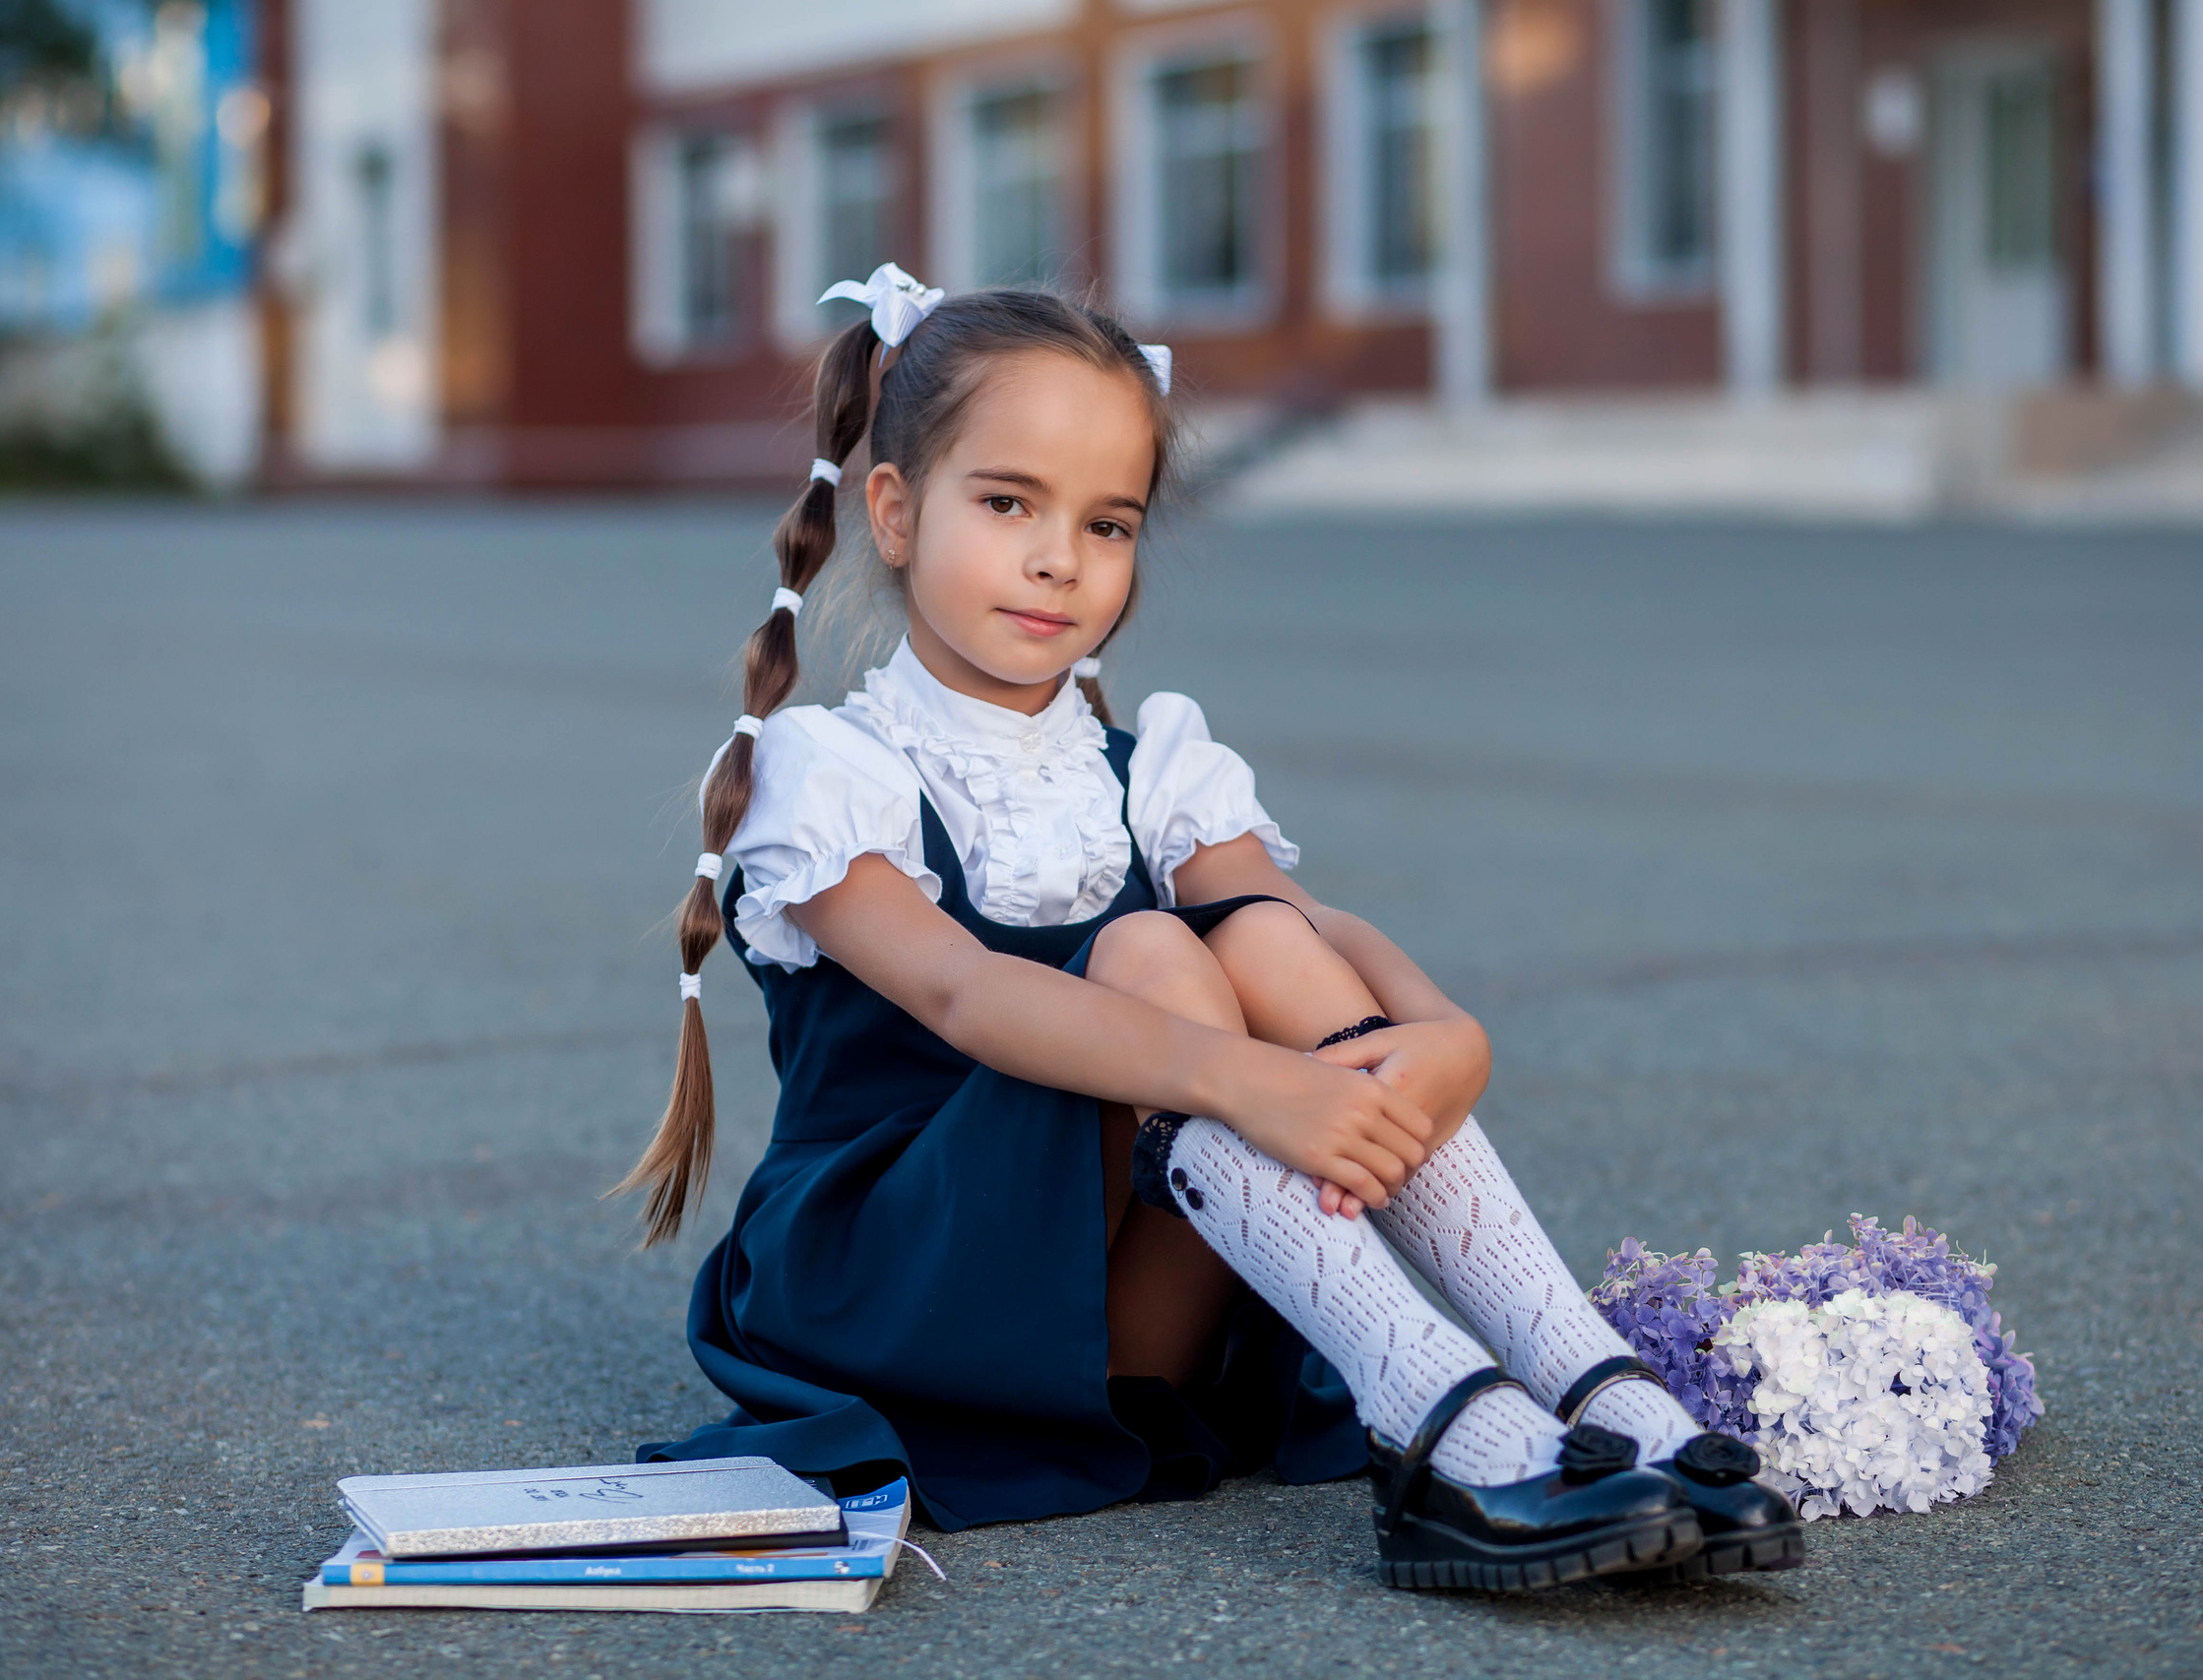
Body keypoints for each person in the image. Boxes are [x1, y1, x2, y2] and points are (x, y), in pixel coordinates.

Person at [623, 265, 1801, 1590]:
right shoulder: (832, 774)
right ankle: (1436, 1411)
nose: (1060, 557)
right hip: (906, 1291)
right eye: (1008, 503)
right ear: (891, 513)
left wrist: (1442, 1032)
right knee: (1147, 951)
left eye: (1108, 524)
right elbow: (963, 996)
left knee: (1249, 935)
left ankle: (1583, 1374)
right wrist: (1252, 1080)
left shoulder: (1157, 764)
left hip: (1120, 1333)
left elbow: (1306, 929)